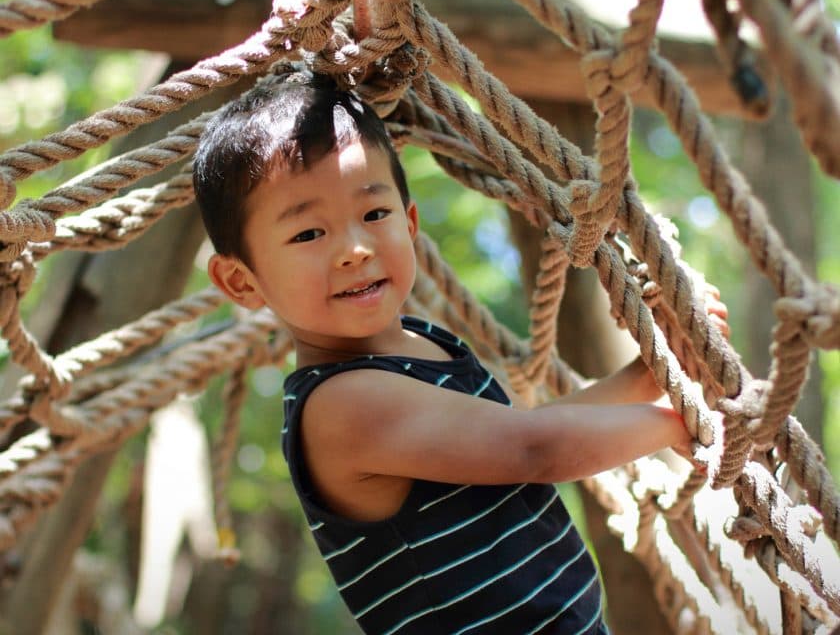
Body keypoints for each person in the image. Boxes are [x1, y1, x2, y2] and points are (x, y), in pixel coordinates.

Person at [193, 68, 726, 634]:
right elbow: (534, 450)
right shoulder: (341, 405)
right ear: (241, 282)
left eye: (374, 214)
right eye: (307, 234)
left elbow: (522, 442)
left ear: (410, 221)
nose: (354, 249)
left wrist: (648, 375)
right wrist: (683, 422)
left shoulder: (420, 344)